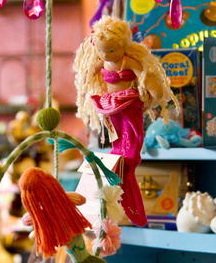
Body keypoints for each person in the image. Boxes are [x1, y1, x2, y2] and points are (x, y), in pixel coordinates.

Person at [73, 16, 176, 227]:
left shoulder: (127, 62)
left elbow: (145, 76)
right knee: (117, 144)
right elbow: (88, 75)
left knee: (132, 145)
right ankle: (119, 178)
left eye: (110, 50)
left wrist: (154, 89)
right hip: (110, 106)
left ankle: (126, 176)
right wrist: (84, 79)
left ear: (123, 45)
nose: (105, 55)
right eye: (101, 50)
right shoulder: (102, 61)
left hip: (129, 106)